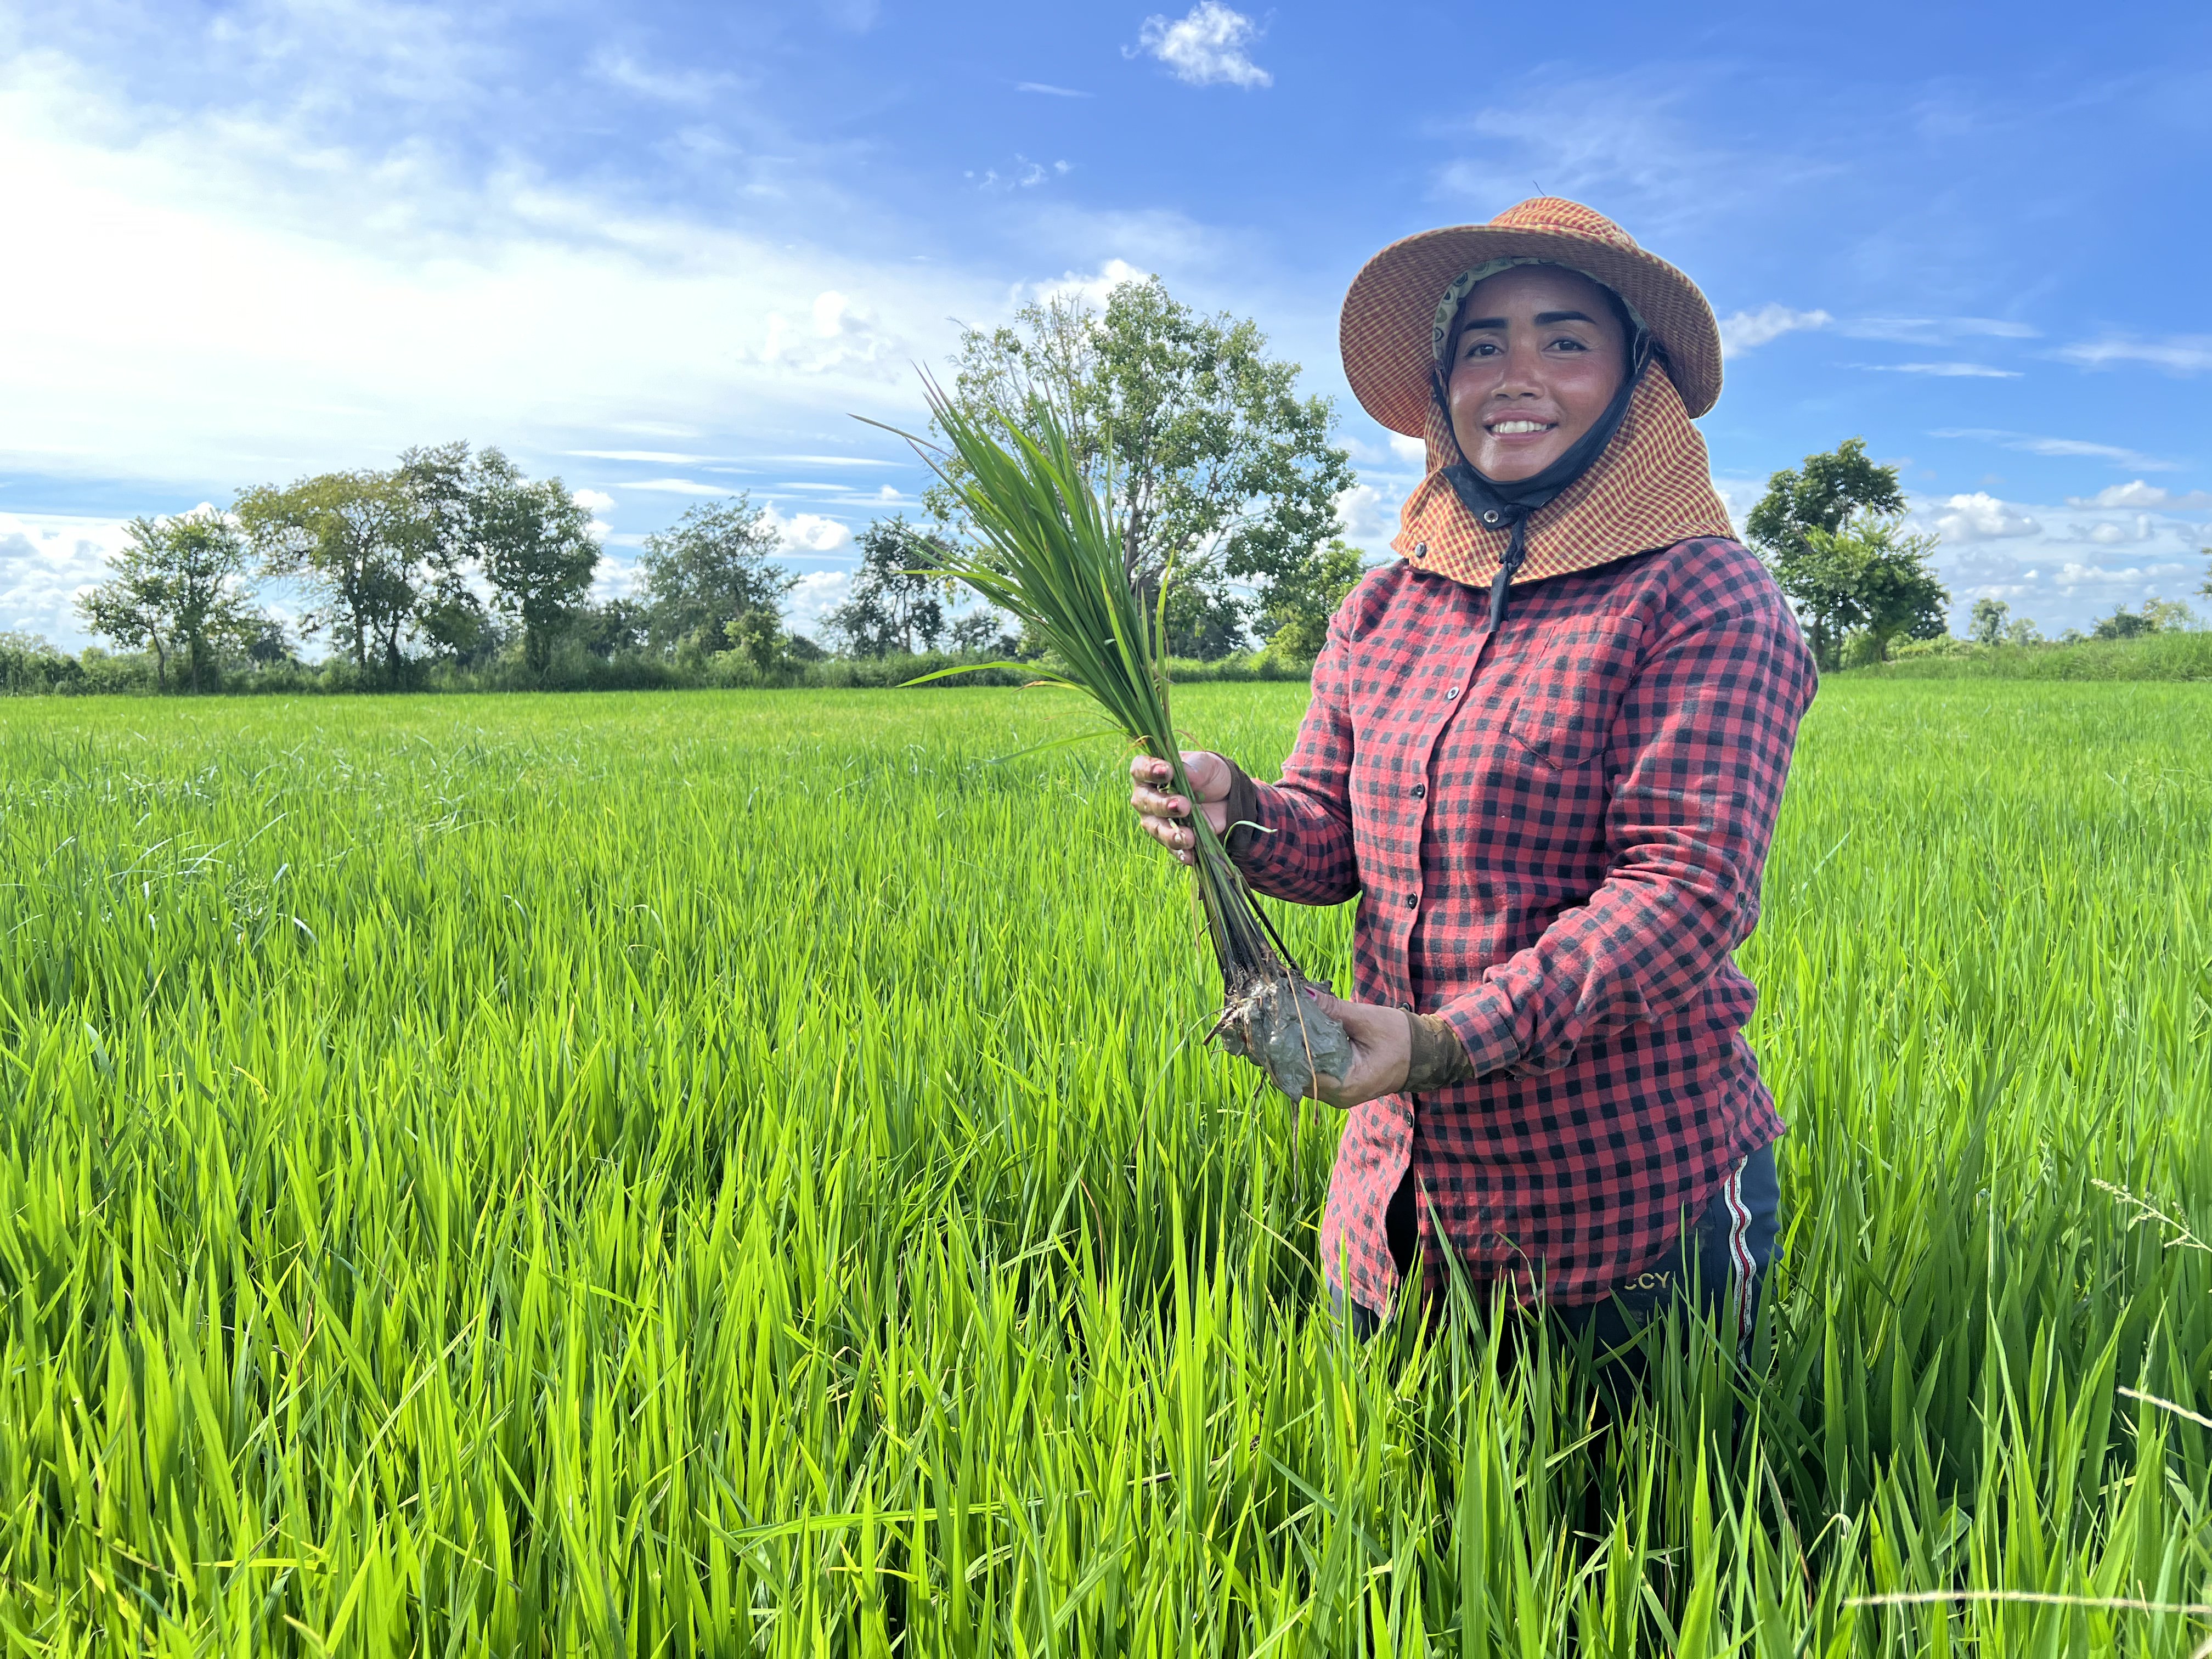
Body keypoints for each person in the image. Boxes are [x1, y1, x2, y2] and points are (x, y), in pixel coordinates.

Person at [1130, 198, 1815, 1358]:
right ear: (1446, 385)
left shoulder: (1702, 598)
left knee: (1650, 1534)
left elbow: (1685, 893)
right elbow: (1331, 841)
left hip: (1620, 1208)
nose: (1516, 374)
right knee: (1404, 1520)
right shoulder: (1385, 605)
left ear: (1636, 381)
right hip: (1391, 1204)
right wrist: (1237, 810)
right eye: (1483, 344)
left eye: (1565, 341)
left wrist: (1444, 1040)